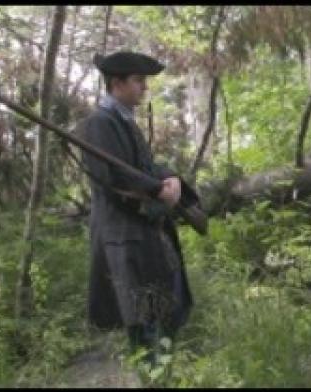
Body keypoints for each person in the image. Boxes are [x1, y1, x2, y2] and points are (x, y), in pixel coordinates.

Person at [76, 51, 194, 364]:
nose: (145, 87)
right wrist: (160, 191)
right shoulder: (99, 124)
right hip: (124, 238)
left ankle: (165, 377)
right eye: (139, 80)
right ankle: (153, 379)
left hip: (144, 234)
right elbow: (113, 179)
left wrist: (170, 178)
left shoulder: (124, 121)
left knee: (168, 311)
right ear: (117, 83)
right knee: (143, 325)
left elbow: (146, 165)